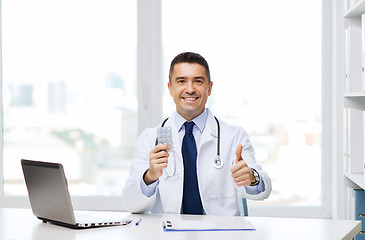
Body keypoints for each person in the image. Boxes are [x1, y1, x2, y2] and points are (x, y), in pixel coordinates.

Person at [121, 52, 271, 216]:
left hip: (220, 234)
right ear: (170, 89)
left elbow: (263, 191)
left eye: (198, 81)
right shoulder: (150, 139)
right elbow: (132, 205)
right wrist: (150, 176)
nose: (190, 89)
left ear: (209, 88)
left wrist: (252, 178)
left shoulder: (234, 136)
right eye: (181, 81)